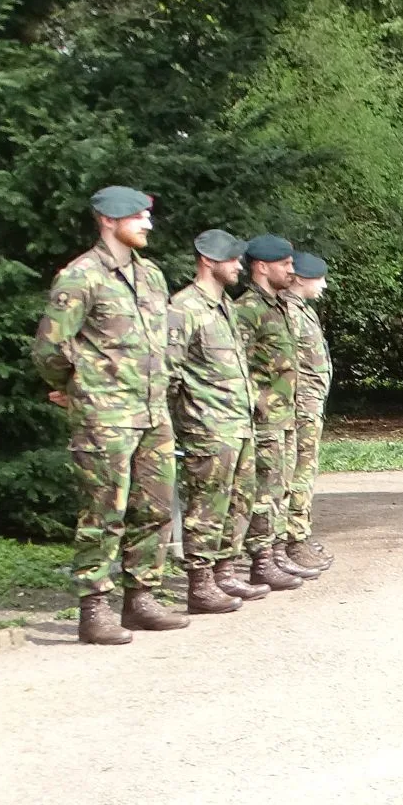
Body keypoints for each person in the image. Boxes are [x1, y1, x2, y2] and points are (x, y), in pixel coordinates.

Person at [33, 186, 190, 642]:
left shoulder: (153, 276)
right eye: (138, 216)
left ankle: (141, 599)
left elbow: (161, 345)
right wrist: (77, 388)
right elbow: (48, 348)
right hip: (106, 416)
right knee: (104, 512)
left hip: (152, 413)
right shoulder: (81, 277)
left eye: (147, 215)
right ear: (107, 220)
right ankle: (94, 608)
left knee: (156, 508)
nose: (148, 223)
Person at [163, 228, 257, 616]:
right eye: (232, 259)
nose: (238, 266)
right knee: (207, 504)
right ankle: (199, 583)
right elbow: (168, 373)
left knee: (238, 499)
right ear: (208, 261)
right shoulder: (183, 308)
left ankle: (225, 569)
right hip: (207, 425)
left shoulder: (226, 307)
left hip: (238, 422)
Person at [234, 235, 316, 587]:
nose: (291, 269)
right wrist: (256, 401)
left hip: (286, 415)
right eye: (284, 264)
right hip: (265, 416)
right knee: (265, 490)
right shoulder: (247, 309)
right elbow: (235, 363)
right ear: (262, 267)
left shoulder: (278, 307)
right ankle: (262, 560)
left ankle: (277, 552)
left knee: (280, 486)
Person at [281, 252, 336, 573]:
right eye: (319, 278)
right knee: (295, 474)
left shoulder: (303, 311)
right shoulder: (287, 311)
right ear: (300, 278)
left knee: (304, 472)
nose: (324, 285)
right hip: (294, 407)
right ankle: (292, 541)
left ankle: (298, 535)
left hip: (308, 405)